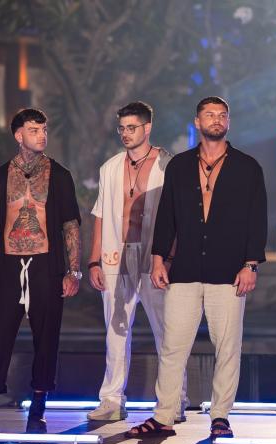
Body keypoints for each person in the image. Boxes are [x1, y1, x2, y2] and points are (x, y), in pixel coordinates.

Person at [125, 96, 267, 439]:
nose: (216, 119)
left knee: (228, 347)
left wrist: (251, 264)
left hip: (229, 270)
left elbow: (257, 218)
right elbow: (167, 216)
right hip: (185, 269)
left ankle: (220, 416)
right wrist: (158, 258)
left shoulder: (247, 167)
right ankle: (164, 416)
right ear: (197, 122)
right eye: (209, 114)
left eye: (222, 115)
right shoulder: (180, 166)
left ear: (228, 122)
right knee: (173, 346)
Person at [0, 108, 82, 434]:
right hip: (8, 266)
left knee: (47, 337)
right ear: (18, 135)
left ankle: (38, 407)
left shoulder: (60, 175)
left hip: (46, 265)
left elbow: (70, 225)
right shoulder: (0, 176)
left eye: (44, 129)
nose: (41, 135)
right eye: (34, 130)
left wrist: (74, 271)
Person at [86, 101, 188, 422]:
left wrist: (169, 258)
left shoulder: (168, 165)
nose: (126, 134)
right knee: (115, 331)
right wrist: (93, 261)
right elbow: (101, 214)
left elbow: (178, 216)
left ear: (147, 128)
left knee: (167, 331)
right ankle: (112, 399)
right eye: (122, 128)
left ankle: (174, 399)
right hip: (116, 254)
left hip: (155, 255)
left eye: (132, 128)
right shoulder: (110, 167)